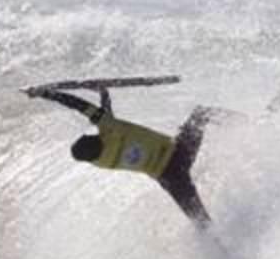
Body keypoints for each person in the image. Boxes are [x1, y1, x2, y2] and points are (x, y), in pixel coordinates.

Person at [24, 85, 213, 229]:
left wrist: (104, 95)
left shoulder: (101, 161)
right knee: (202, 113)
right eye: (90, 136)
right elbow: (78, 105)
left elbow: (106, 117)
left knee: (202, 223)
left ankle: (223, 256)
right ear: (94, 140)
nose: (92, 133)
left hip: (169, 179)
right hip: (178, 153)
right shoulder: (109, 129)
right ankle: (242, 126)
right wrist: (45, 93)